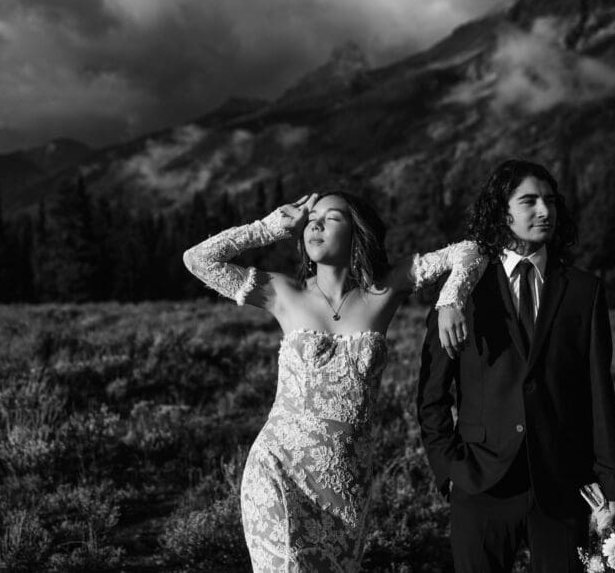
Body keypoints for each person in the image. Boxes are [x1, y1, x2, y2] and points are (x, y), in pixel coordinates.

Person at [183, 191, 486, 571]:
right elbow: (198, 260)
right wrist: (269, 227)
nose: (315, 224)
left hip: (346, 484)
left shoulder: (387, 289)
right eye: (311, 219)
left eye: (331, 218)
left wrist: (450, 301)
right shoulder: (282, 292)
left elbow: (471, 251)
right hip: (278, 467)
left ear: (357, 232)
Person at [417, 160, 615, 573]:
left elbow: (598, 392)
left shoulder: (584, 291)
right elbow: (431, 392)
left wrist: (613, 481)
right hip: (480, 483)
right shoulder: (464, 287)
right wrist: (448, 469)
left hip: (563, 483)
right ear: (503, 210)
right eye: (529, 201)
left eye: (550, 201)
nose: (544, 212)